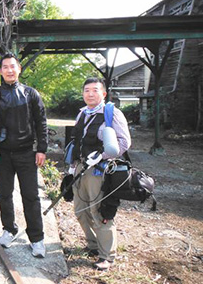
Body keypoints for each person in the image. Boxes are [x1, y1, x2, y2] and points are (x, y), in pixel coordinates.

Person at [0, 53, 48, 258]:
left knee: (31, 196)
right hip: (2, 154)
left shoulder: (30, 93)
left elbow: (41, 122)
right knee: (4, 194)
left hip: (26, 153)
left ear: (19, 69)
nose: (9, 70)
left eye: (13, 66)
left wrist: (42, 149)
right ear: (0, 71)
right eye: (5, 67)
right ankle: (9, 228)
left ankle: (36, 238)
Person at [69, 77, 131, 271]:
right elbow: (76, 140)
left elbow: (124, 143)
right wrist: (72, 166)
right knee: (80, 210)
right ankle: (93, 245)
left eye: (95, 90)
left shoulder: (112, 114)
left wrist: (101, 156)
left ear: (103, 93)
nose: (90, 93)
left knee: (100, 212)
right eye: (87, 90)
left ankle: (107, 256)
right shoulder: (82, 114)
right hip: (80, 167)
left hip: (100, 170)